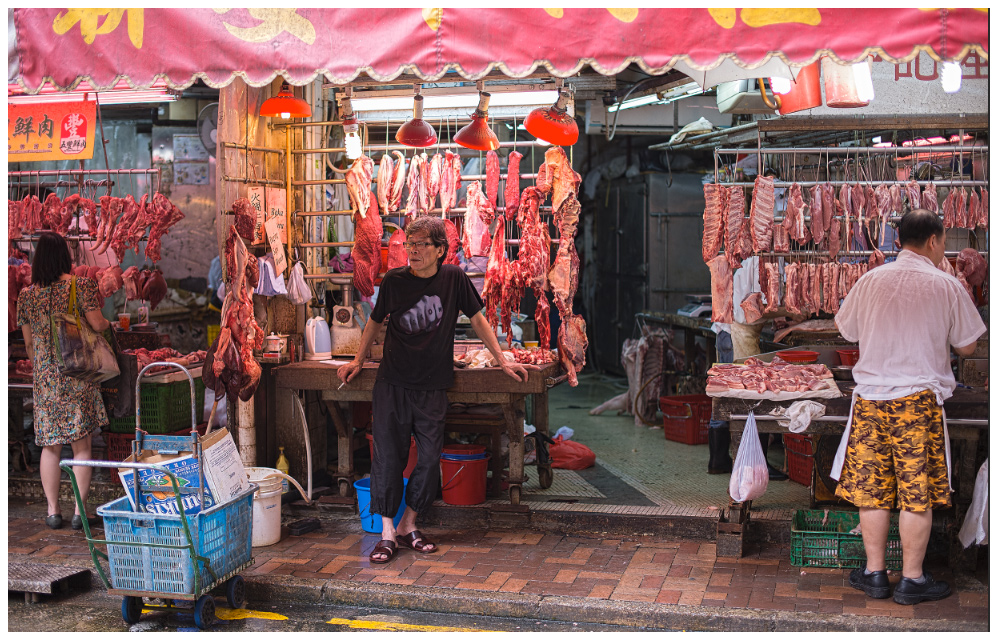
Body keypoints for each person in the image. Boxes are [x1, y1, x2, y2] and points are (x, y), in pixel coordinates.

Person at [337, 217, 529, 564]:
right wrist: (356, 361)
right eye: (410, 244)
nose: (413, 251)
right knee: (387, 459)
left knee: (427, 458)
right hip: (393, 383)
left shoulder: (453, 278)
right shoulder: (394, 281)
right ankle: (385, 533)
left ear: (441, 250)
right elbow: (375, 323)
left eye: (421, 244)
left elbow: (478, 319)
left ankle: (409, 525)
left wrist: (502, 360)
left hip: (433, 386)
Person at [832, 209, 985, 605]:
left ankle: (875, 574)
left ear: (900, 239)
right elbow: (968, 346)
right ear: (934, 241)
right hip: (916, 402)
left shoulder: (870, 279)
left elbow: (847, 330)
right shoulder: (945, 284)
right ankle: (911, 580)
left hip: (870, 400)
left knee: (873, 491)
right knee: (916, 493)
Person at [17, 232, 111, 530]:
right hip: (77, 375)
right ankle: (79, 513)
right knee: (81, 445)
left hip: (45, 380)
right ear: (64, 257)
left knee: (50, 446)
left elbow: (29, 344)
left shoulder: (27, 295)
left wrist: (44, 364)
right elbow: (97, 324)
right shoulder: (79, 286)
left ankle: (53, 510)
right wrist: (109, 326)